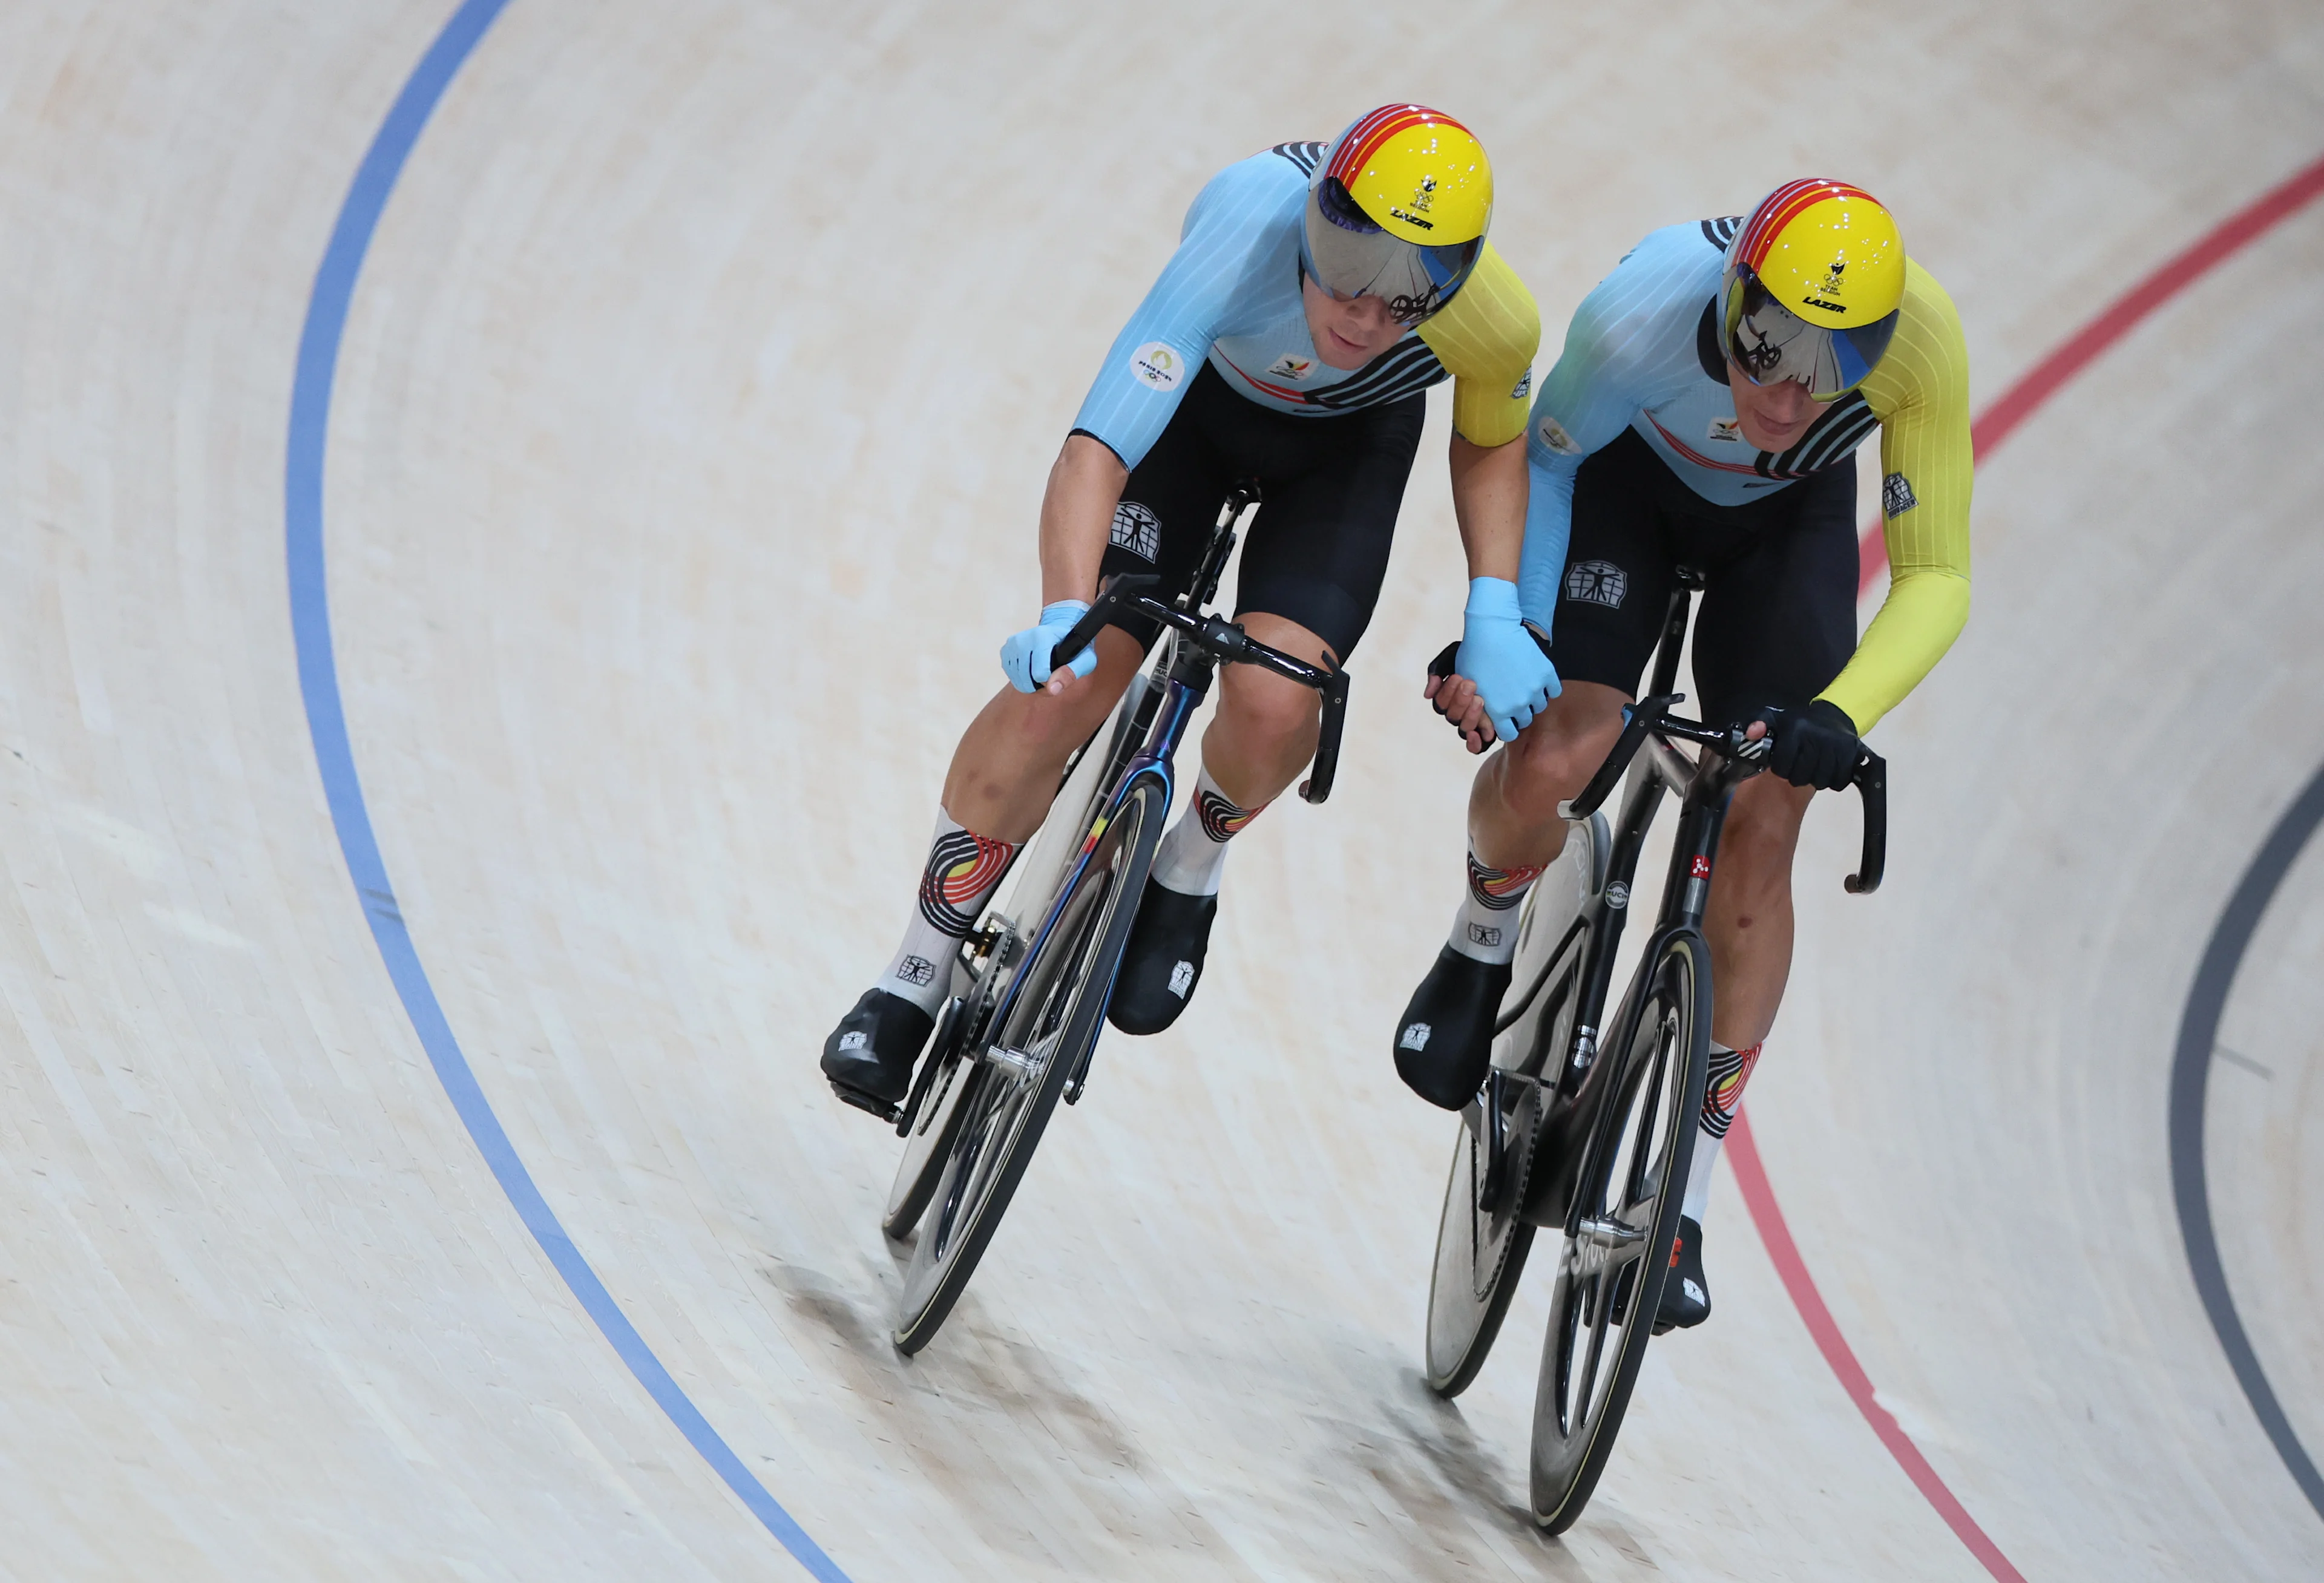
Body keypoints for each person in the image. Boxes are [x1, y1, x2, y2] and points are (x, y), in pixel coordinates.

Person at [822, 106, 1557, 1113]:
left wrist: (1495, 609)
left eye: (1407, 303)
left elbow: (1491, 442)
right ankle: (911, 976)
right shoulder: (1243, 232)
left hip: (1345, 455)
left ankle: (1193, 862)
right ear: (1317, 219)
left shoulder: (1493, 319)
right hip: (1197, 423)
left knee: (1276, 700)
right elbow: (1099, 449)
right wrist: (1061, 614)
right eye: (1347, 269)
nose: (1365, 317)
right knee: (1064, 690)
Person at [1397, 179, 1972, 1329]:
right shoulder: (1639, 316)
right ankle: (1482, 939)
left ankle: (1686, 1199)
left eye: (1831, 366)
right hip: (1628, 490)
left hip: (1788, 526)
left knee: (1768, 820)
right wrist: (1519, 634)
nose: (1789, 389)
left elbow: (1937, 576)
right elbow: (1543, 462)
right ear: (1731, 298)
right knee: (1568, 744)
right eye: (1767, 347)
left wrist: (1842, 715)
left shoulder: (1922, 347)